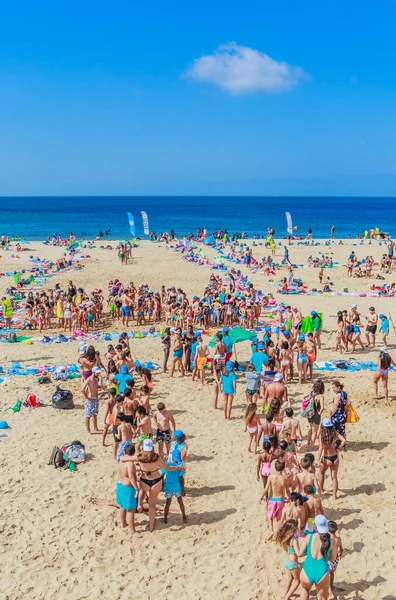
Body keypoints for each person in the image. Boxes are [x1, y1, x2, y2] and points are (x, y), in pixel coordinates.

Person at [298, 515, 331, 599]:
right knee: (322, 597)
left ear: (315, 526)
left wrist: (308, 552)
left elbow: (299, 554)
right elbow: (332, 558)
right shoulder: (330, 541)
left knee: (305, 589)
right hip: (322, 571)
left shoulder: (309, 537)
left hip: (307, 570)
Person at [318, 419, 346, 500]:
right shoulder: (334, 434)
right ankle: (334, 495)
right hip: (335, 457)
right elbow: (344, 440)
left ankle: (321, 490)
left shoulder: (322, 436)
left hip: (327, 458)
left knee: (321, 473)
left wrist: (318, 459)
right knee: (334, 477)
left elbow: (320, 448)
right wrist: (338, 448)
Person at [275, 519, 302, 600]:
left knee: (290, 579)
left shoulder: (286, 538)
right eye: (296, 528)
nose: (298, 529)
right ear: (293, 529)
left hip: (287, 560)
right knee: (297, 581)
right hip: (293, 562)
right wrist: (306, 551)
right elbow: (298, 554)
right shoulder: (294, 540)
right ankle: (286, 597)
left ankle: (285, 594)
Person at [115, 444, 139, 533]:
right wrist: (136, 488)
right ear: (133, 453)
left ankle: (124, 524)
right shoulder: (130, 464)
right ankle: (132, 530)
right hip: (128, 488)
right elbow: (131, 477)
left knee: (122, 507)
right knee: (131, 510)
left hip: (120, 485)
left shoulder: (122, 459)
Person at [263, 459, 289, 540]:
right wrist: (289, 498)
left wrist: (261, 497)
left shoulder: (271, 477)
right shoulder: (284, 479)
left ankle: (271, 531)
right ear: (283, 468)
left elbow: (266, 489)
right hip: (280, 500)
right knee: (279, 518)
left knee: (269, 516)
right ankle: (278, 534)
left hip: (272, 499)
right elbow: (288, 491)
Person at [162, 449, 187, 524]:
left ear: (171, 457)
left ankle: (165, 518)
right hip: (177, 487)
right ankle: (184, 516)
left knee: (167, 503)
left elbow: (162, 476)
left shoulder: (167, 465)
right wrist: (183, 489)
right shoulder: (180, 467)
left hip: (169, 487)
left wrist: (162, 486)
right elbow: (181, 479)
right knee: (180, 502)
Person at [81, 366, 103, 433]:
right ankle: (88, 429)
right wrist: (87, 398)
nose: (98, 374)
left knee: (95, 414)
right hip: (91, 398)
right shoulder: (89, 379)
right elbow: (82, 389)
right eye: (97, 373)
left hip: (96, 398)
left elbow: (96, 386)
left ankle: (95, 428)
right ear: (93, 372)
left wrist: (102, 387)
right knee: (88, 415)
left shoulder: (96, 378)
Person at [306, 379, 325, 449]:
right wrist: (319, 413)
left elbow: (307, 399)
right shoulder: (320, 396)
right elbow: (322, 407)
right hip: (316, 415)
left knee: (310, 428)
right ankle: (311, 447)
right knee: (315, 431)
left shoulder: (311, 393)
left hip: (309, 413)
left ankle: (308, 443)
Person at [327, 521, 344, 600]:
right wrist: (340, 555)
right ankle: (331, 586)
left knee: (327, 574)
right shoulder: (338, 539)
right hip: (336, 558)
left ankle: (329, 588)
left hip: (329, 559)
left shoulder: (327, 539)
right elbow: (341, 549)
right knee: (332, 573)